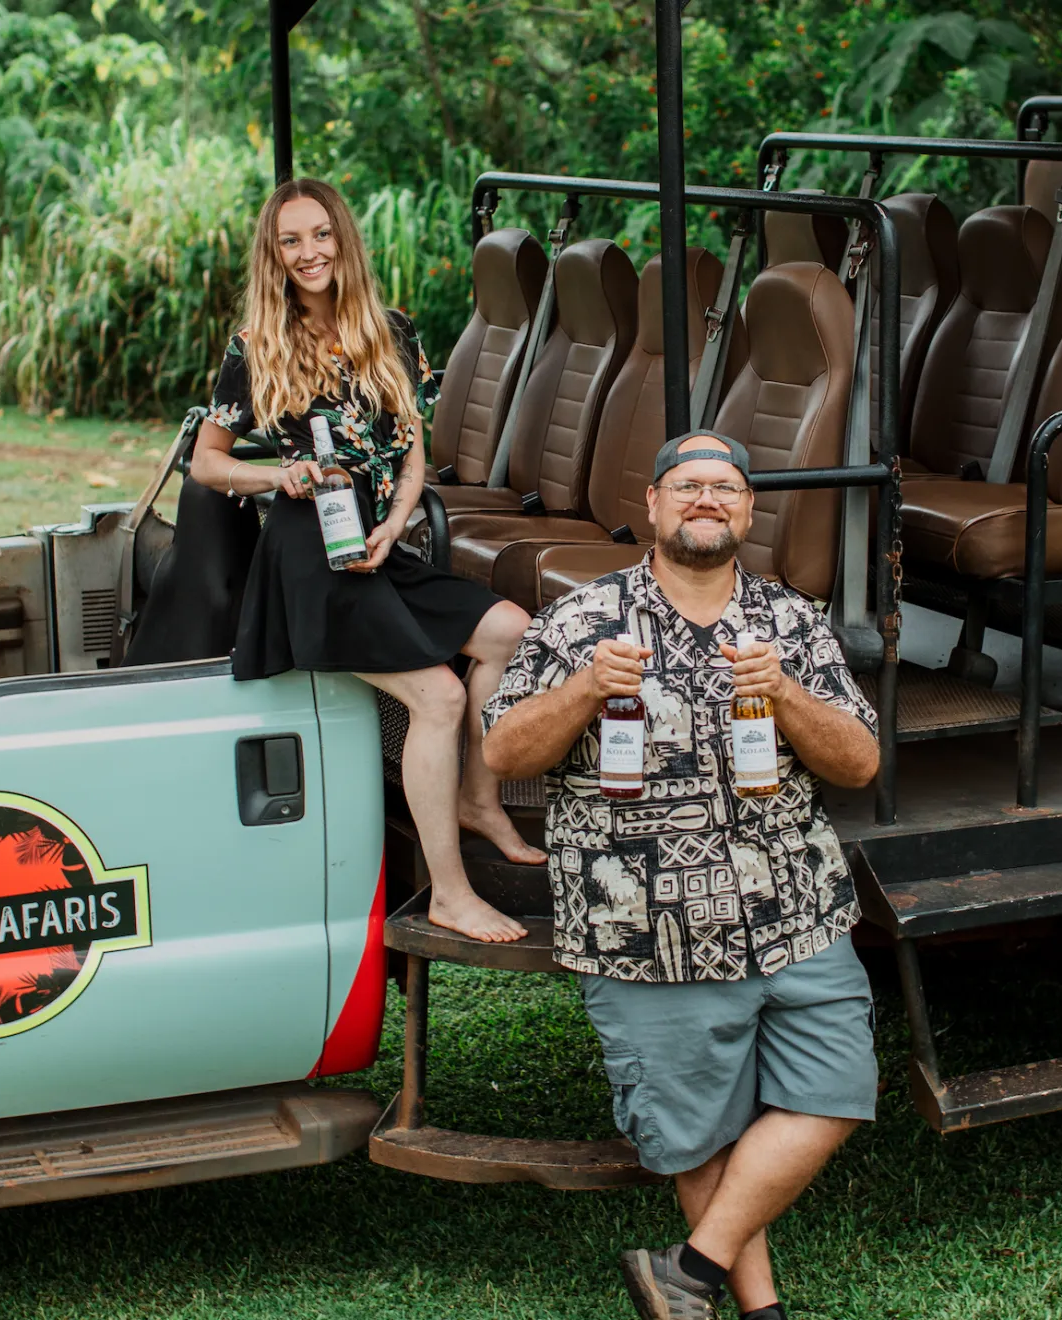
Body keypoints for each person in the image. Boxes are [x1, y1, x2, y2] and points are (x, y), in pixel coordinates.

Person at [481, 432, 881, 1319]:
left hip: (795, 911)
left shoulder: (790, 623)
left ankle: (687, 1274)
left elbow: (858, 763)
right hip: (644, 925)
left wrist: (787, 695)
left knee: (839, 1093)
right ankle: (756, 1308)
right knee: (699, 1135)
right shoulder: (582, 619)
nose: (707, 499)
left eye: (726, 488)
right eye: (688, 485)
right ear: (654, 506)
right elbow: (504, 751)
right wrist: (585, 689)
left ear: (747, 512)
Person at [191, 177, 543, 943]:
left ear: (342, 239)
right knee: (439, 699)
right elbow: (208, 463)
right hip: (309, 552)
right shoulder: (258, 346)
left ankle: (478, 799)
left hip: (377, 546)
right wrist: (273, 474)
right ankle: (449, 892)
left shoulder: (394, 330)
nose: (308, 252)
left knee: (509, 629)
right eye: (291, 241)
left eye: (320, 235)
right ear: (274, 254)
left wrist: (400, 519)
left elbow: (416, 451)